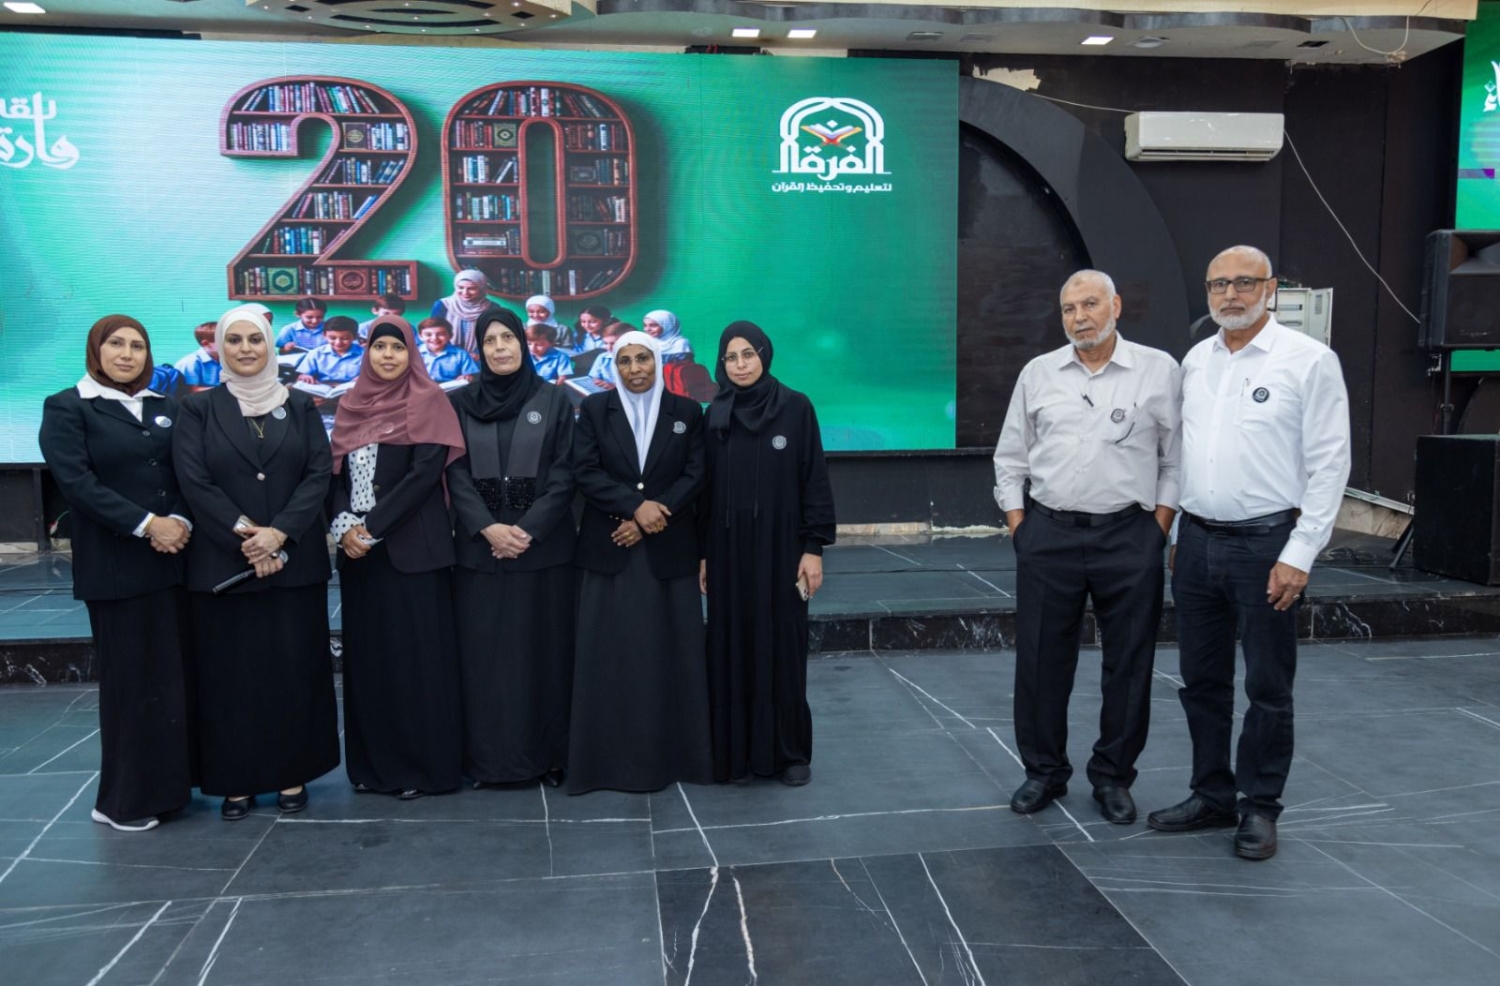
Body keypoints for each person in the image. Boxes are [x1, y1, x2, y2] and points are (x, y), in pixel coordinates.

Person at [1147, 246, 1351, 861]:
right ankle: (1211, 794)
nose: (1230, 295)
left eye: (1243, 282)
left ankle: (1260, 806)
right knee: (1201, 681)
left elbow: (1330, 464)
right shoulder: (1197, 360)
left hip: (1268, 545)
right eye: (1218, 284)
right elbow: (1186, 455)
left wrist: (1300, 553)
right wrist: (1178, 536)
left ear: (1270, 289)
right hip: (1198, 541)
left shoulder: (1309, 361)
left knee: (1267, 685)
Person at [992, 270, 1182, 824]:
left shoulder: (1158, 370)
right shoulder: (1038, 373)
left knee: (1130, 663)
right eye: (1069, 308)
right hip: (1048, 534)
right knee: (1039, 661)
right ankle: (1043, 772)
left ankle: (1113, 777)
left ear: (1116, 306)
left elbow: (1176, 459)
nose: (1080, 317)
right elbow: (1010, 458)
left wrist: (1159, 528)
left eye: (1091, 304)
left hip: (1129, 535)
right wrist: (1021, 527)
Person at [173, 304, 340, 821]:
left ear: (270, 346)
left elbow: (317, 475)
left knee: (294, 672)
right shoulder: (197, 409)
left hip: (295, 564)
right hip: (224, 565)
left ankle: (293, 773)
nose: (246, 348)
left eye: (255, 339)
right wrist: (250, 537)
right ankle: (235, 781)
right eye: (235, 340)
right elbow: (194, 481)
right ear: (221, 348)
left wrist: (279, 535)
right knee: (230, 678)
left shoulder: (302, 405)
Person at [38, 315, 196, 832]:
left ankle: (168, 792)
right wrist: (149, 524)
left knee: (170, 683)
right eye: (116, 344)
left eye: (137, 346)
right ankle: (122, 802)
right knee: (131, 686)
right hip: (116, 568)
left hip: (173, 562)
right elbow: (77, 484)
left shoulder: (164, 406)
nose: (127, 354)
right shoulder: (69, 407)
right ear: (96, 351)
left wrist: (180, 521)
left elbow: (187, 474)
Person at [568, 331, 713, 794]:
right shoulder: (595, 409)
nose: (635, 369)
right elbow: (585, 470)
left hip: (668, 551)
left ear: (657, 361)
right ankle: (605, 765)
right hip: (610, 549)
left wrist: (652, 517)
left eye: (643, 359)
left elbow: (696, 473)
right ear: (614, 366)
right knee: (610, 658)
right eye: (625, 361)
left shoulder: (687, 412)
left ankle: (679, 758)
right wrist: (634, 508)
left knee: (672, 657)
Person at [330, 316, 467, 800]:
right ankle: (373, 768)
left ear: (412, 354)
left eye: (397, 347)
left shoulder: (428, 401)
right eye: (379, 346)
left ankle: (422, 769)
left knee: (416, 662)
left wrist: (370, 527)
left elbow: (424, 475)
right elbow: (334, 477)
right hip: (360, 557)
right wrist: (344, 526)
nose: (387, 355)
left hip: (413, 552)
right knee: (371, 663)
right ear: (367, 352)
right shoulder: (350, 404)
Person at [700, 321, 835, 785]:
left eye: (747, 354)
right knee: (730, 646)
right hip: (727, 549)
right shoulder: (714, 414)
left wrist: (813, 548)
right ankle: (734, 754)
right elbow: (705, 493)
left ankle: (789, 754)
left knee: (783, 646)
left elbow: (814, 479)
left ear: (764, 354)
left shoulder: (796, 407)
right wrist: (703, 554)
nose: (739, 365)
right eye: (730, 357)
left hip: (783, 549)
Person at [447, 309, 578, 788]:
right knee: (486, 660)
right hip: (481, 555)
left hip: (543, 553)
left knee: (545, 656)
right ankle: (489, 762)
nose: (500, 348)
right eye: (490, 341)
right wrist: (487, 528)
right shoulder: (459, 402)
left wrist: (526, 530)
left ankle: (548, 757)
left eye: (508, 338)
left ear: (523, 343)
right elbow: (454, 472)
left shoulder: (555, 399)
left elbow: (566, 471)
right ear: (478, 349)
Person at [432, 269, 502, 358]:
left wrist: (479, 354)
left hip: (479, 357)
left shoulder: (492, 308)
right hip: (447, 355)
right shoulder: (442, 305)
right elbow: (434, 332)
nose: (465, 292)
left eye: (472, 288)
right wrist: (452, 353)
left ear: (481, 289)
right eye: (460, 287)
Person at [296, 316, 364, 385]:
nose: (338, 342)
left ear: (355, 336)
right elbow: (304, 374)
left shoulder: (365, 354)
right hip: (321, 387)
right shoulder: (316, 353)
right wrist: (305, 376)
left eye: (345, 338)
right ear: (324, 335)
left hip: (352, 388)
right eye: (332, 338)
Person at [416, 316, 479, 384]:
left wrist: (467, 376)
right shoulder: (413, 354)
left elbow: (473, 375)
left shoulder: (461, 355)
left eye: (440, 334)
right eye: (428, 335)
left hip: (451, 388)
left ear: (450, 336)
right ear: (420, 336)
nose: (434, 338)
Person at [175, 321, 223, 390]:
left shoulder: (225, 359)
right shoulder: (190, 363)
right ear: (206, 344)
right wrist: (224, 391)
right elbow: (191, 390)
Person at [586, 321, 629, 388]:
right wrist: (597, 381)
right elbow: (594, 376)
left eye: (613, 343)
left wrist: (614, 387)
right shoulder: (602, 357)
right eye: (605, 343)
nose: (608, 348)